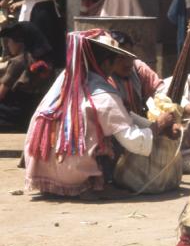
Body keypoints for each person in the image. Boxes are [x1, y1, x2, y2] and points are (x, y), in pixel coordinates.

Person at [24, 29, 177, 198]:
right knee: (117, 136)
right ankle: (93, 185)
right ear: (106, 63)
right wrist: (158, 126)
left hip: (42, 166)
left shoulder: (66, 79)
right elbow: (134, 141)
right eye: (115, 61)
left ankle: (57, 182)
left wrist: (151, 125)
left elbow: (124, 116)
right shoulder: (104, 94)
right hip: (71, 172)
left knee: (115, 123)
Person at [108, 30, 190, 118]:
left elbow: (161, 91)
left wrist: (189, 108)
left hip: (142, 121)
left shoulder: (137, 67)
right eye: (120, 58)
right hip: (120, 127)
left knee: (178, 83)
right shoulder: (105, 78)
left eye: (129, 55)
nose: (127, 62)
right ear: (109, 59)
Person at [0, 21, 54, 131]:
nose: (8, 45)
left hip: (11, 115)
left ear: (20, 42)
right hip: (30, 112)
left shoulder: (18, 62)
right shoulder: (44, 62)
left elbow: (1, 94)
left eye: (9, 40)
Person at [0, 0, 66, 68]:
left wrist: (3, 3)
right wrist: (21, 3)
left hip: (36, 14)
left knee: (34, 47)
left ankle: (33, 73)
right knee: (49, 45)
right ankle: (48, 73)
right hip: (51, 13)